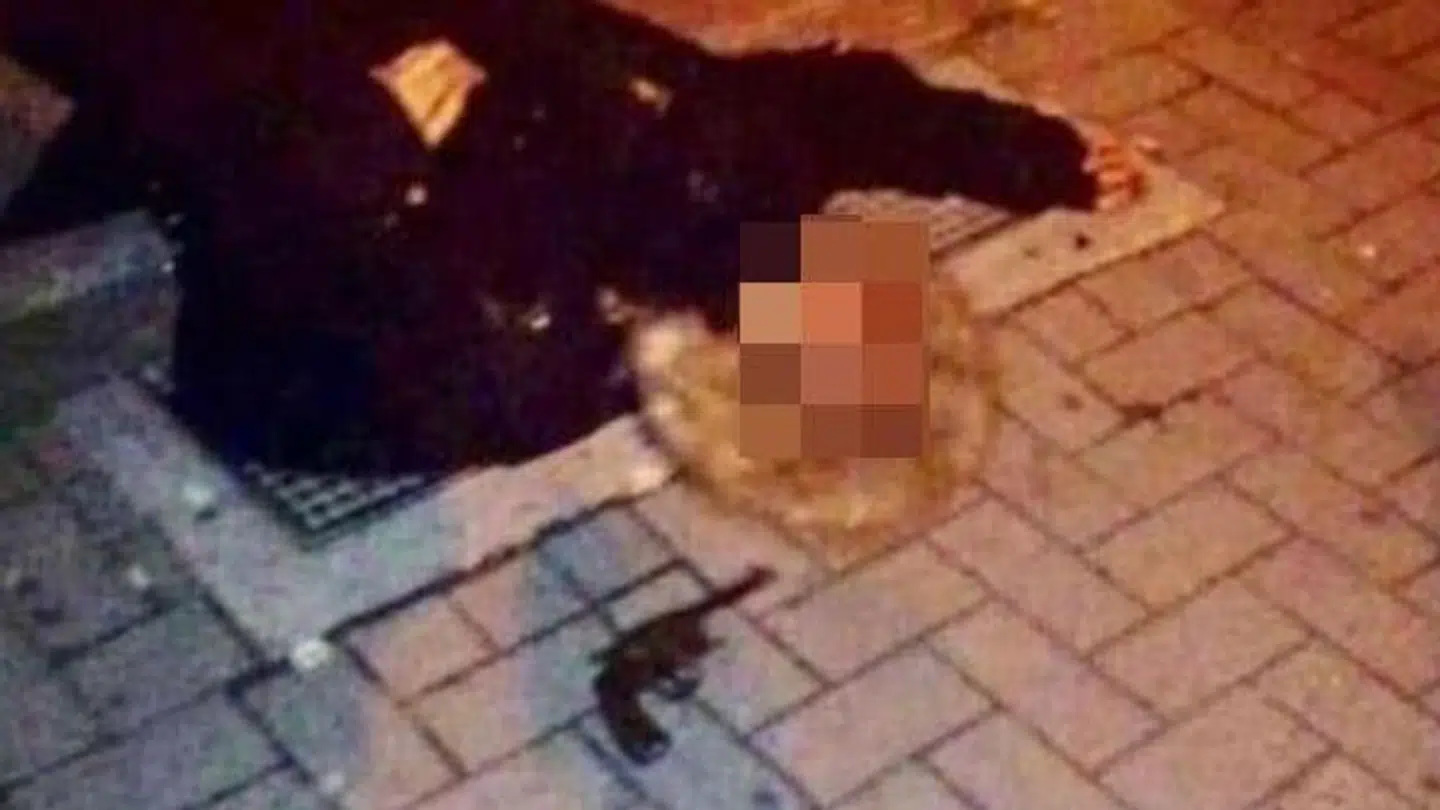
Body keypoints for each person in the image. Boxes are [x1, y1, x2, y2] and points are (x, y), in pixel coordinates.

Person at [0, 0, 1144, 472]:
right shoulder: (722, 185)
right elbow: (823, 111)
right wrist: (1027, 154)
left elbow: (245, 382)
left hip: (233, 70)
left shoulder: (504, 377)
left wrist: (360, 151)